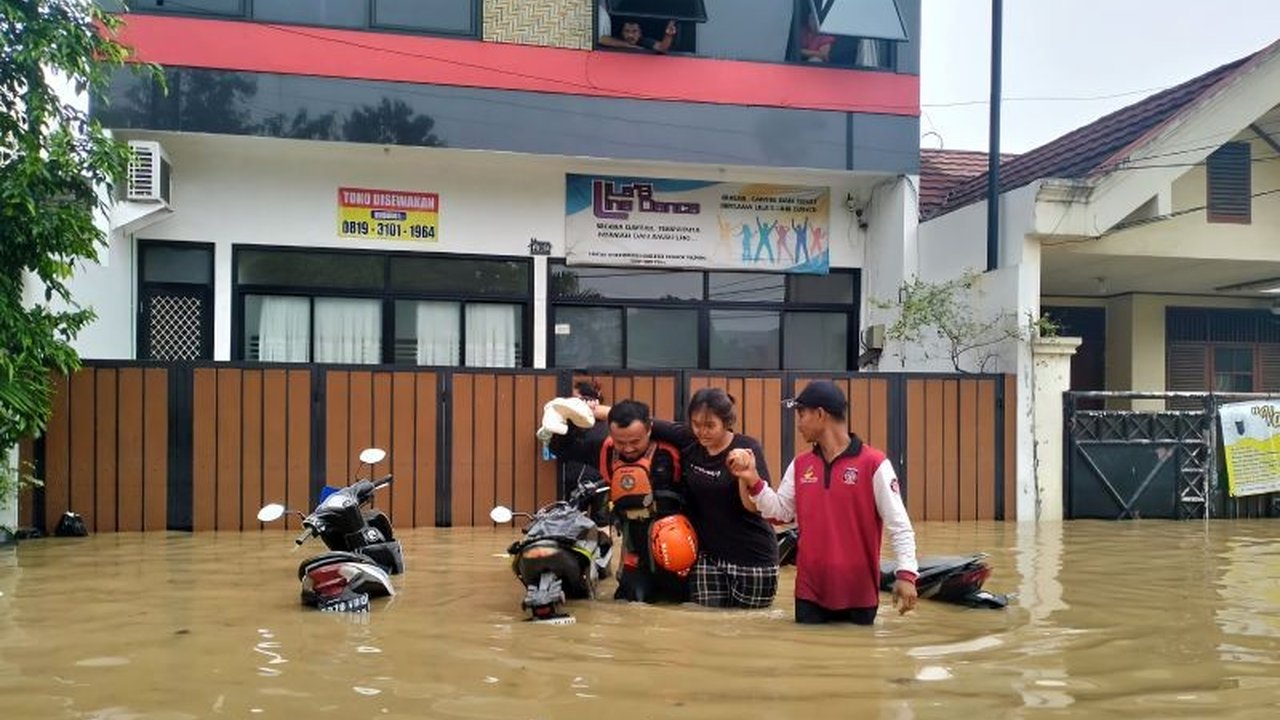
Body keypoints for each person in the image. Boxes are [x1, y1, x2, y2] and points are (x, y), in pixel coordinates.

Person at [732, 380, 918, 625]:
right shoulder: (800, 464)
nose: (798, 424)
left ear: (820, 414)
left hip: (859, 595)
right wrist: (753, 480)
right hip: (809, 593)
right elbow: (780, 513)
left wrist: (906, 575)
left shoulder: (874, 463)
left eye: (801, 414)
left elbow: (899, 524)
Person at [594, 388, 780, 609]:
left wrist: (747, 475)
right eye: (696, 424)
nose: (702, 432)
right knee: (701, 617)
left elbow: (755, 509)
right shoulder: (689, 441)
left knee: (748, 624)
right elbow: (642, 422)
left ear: (727, 422)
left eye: (710, 425)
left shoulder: (746, 448)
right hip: (707, 556)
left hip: (751, 557)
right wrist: (589, 408)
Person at [540, 397, 690, 604]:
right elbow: (562, 448)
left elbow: (695, 435)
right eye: (621, 442)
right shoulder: (605, 449)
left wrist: (601, 410)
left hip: (679, 551)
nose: (627, 448)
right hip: (635, 554)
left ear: (650, 430)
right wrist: (564, 417)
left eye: (635, 441)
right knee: (630, 604)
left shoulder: (675, 450)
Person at [598, 5, 679, 54]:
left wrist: (668, 35)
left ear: (640, 33)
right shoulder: (617, 38)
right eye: (627, 31)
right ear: (622, 32)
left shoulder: (644, 41)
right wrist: (631, 46)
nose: (630, 35)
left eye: (634, 31)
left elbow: (662, 48)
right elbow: (601, 39)